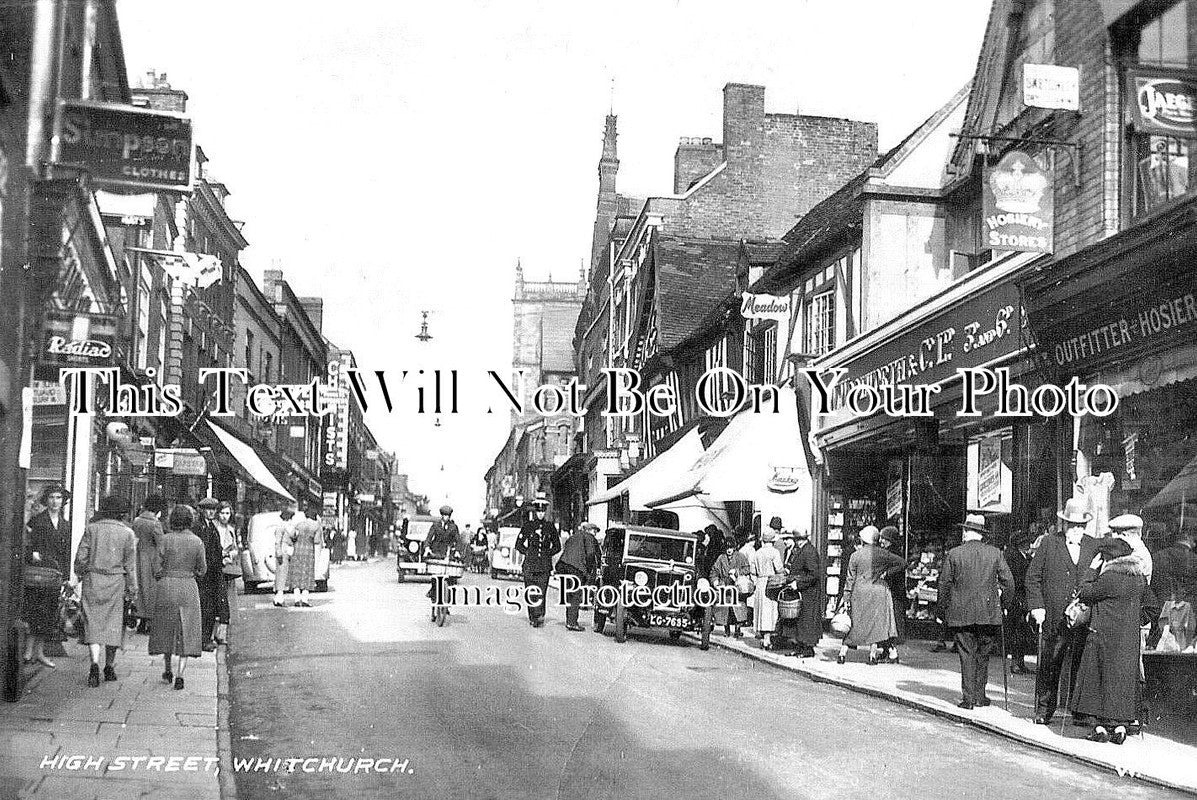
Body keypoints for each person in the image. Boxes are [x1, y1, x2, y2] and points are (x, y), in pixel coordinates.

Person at [1025, 497, 1101, 726]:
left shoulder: (1093, 545)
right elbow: (1033, 578)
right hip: (1054, 616)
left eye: (1081, 525)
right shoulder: (1049, 543)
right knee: (1049, 664)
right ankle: (1044, 710)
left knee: (1081, 664)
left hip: (1083, 617)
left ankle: (1078, 712)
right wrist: (1037, 606)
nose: (1077, 529)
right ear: (1064, 524)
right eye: (1072, 525)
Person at [1069, 537, 1151, 744]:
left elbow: (1084, 592)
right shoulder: (1139, 579)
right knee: (1122, 682)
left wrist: (1091, 570)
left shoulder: (1109, 578)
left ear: (1107, 558)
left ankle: (1099, 728)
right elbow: (1153, 606)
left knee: (1097, 680)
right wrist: (1136, 621)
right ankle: (1121, 726)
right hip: (1128, 641)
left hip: (1102, 635)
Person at [939, 513, 1015, 709]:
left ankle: (969, 698)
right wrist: (1003, 605)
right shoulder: (995, 553)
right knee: (983, 654)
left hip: (961, 613)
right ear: (982, 534)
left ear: (966, 531)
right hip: (989, 613)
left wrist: (941, 611)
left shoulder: (954, 554)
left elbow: (944, 585)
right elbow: (1009, 583)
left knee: (967, 654)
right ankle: (980, 696)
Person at [74, 495, 137, 687]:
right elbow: (130, 566)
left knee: (93, 622)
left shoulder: (91, 530)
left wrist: (80, 573)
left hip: (93, 580)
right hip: (116, 582)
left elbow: (81, 558)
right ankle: (109, 667)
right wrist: (133, 589)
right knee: (113, 624)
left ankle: (94, 663)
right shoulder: (127, 534)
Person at [149, 504, 206, 690]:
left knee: (167, 627)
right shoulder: (197, 541)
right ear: (190, 521)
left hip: (167, 586)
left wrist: (163, 575)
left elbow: (156, 567)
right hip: (188, 587)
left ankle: (167, 669)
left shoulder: (164, 540)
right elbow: (202, 569)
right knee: (187, 629)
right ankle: (180, 675)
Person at [837, 525, 905, 665]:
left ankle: (843, 653)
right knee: (875, 624)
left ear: (863, 540)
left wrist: (846, 598)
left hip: (860, 591)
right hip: (878, 591)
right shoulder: (882, 553)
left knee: (856, 622)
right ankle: (873, 655)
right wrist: (886, 574)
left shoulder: (855, 556)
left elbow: (850, 579)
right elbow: (902, 563)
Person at [22, 485, 72, 667]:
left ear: (63, 501)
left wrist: (66, 576)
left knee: (49, 613)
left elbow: (66, 552)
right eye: (52, 497)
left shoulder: (66, 525)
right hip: (38, 574)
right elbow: (26, 545)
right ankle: (28, 651)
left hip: (54, 575)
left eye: (59, 498)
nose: (55, 501)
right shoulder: (37, 521)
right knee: (34, 611)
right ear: (46, 500)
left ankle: (40, 652)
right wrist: (33, 554)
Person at [515, 496, 560, 627]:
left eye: (542, 511)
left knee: (542, 591)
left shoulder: (550, 527)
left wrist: (547, 554)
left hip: (544, 566)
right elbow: (518, 544)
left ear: (545, 512)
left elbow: (557, 546)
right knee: (530, 591)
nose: (540, 514)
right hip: (530, 565)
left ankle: (540, 614)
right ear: (535, 512)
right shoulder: (528, 526)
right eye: (538, 511)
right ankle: (532, 616)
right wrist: (528, 552)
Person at [777, 528, 821, 658]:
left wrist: (798, 583)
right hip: (803, 591)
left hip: (809, 592)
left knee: (807, 621)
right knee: (800, 621)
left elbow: (814, 574)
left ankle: (808, 649)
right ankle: (800, 647)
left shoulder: (809, 551)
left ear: (798, 540)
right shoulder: (803, 550)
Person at [131, 495, 167, 634]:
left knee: (140, 590)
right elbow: (160, 545)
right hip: (151, 560)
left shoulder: (137, 520)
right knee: (151, 592)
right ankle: (150, 623)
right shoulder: (155, 523)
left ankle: (141, 622)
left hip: (137, 558)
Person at [193, 498, 225, 651]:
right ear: (202, 510)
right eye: (208, 509)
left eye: (213, 509)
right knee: (205, 608)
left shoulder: (211, 526)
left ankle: (206, 638)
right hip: (204, 574)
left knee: (210, 608)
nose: (212, 512)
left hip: (212, 574)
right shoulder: (199, 527)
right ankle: (203, 640)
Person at [1004, 530, 1037, 675]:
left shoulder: (1026, 557)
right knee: (1017, 632)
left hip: (1023, 599)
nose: (1029, 544)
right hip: (1016, 599)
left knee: (1023, 632)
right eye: (1027, 542)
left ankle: (1020, 662)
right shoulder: (1013, 557)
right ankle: (1015, 663)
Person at [556, 521, 599, 631]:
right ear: (590, 531)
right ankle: (572, 622)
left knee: (569, 594)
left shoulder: (573, 536)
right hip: (576, 568)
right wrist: (589, 570)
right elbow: (590, 554)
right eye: (595, 531)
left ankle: (569, 620)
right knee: (576, 595)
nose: (595, 534)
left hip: (563, 566)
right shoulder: (589, 537)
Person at [750, 520, 785, 650]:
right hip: (771, 583)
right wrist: (785, 571)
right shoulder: (774, 552)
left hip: (760, 583)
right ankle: (767, 639)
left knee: (761, 610)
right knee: (770, 611)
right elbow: (779, 568)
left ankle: (764, 637)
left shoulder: (757, 553)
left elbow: (752, 571)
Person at [710, 539, 751, 637]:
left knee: (738, 608)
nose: (729, 550)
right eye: (727, 548)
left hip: (737, 586)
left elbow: (747, 568)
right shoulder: (721, 558)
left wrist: (736, 572)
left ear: (734, 548)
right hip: (725, 585)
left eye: (731, 548)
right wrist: (715, 581)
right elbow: (714, 571)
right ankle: (726, 630)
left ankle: (738, 629)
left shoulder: (740, 556)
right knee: (725, 609)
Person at [878, 525, 910, 649]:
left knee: (894, 613)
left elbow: (902, 564)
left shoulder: (891, 553)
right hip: (896, 588)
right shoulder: (894, 551)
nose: (881, 541)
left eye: (884, 539)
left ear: (890, 540)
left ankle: (894, 640)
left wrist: (886, 573)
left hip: (894, 588)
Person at [212, 502, 239, 643]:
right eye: (222, 513)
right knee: (215, 600)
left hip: (227, 569)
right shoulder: (213, 527)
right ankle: (213, 633)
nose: (225, 516)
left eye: (227, 513)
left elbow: (235, 548)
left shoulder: (231, 530)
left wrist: (231, 555)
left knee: (226, 602)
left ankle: (221, 633)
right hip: (216, 567)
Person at [286, 504, 321, 607]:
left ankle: (297, 600)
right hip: (309, 552)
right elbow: (317, 541)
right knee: (307, 574)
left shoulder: (299, 525)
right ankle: (305, 600)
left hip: (297, 551)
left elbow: (292, 535)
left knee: (297, 574)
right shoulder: (316, 526)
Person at [272, 505, 297, 607]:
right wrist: (278, 552)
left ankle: (279, 596)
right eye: (289, 517)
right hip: (283, 551)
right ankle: (279, 596)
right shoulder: (281, 527)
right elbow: (277, 541)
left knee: (284, 574)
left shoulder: (290, 526)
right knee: (281, 574)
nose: (290, 519)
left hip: (288, 551)